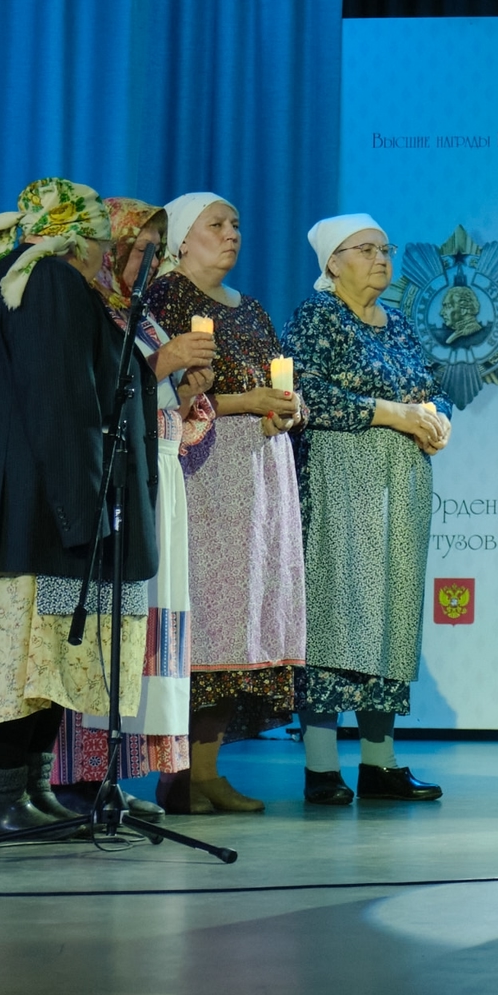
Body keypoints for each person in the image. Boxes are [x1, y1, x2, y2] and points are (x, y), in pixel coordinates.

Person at [0, 179, 192, 837]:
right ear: (80, 239)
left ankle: (30, 790)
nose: (106, 255)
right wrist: (87, 513)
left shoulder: (1, 281)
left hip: (25, 506)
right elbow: (62, 401)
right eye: (104, 242)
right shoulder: (46, 280)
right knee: (10, 663)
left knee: (42, 661)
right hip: (30, 512)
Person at [48, 198, 216, 808]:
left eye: (154, 250)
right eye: (140, 248)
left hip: (156, 481)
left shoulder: (134, 315)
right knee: (101, 626)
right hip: (111, 483)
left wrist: (187, 392)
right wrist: (163, 365)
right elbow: (90, 392)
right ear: (109, 246)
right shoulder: (88, 309)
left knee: (137, 634)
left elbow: (159, 406)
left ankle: (112, 775)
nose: (149, 261)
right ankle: (76, 776)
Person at [144, 193, 308, 814]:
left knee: (239, 621)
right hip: (204, 471)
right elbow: (168, 394)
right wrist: (247, 403)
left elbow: (276, 382)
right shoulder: (167, 297)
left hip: (258, 476)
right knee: (204, 617)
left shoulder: (253, 308)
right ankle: (177, 773)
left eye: (236, 223)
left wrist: (286, 408)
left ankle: (209, 770)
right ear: (183, 239)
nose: (232, 233)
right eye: (216, 224)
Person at [288, 215, 452, 806]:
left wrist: (437, 417)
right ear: (333, 262)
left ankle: (380, 764)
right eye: (366, 250)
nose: (382, 259)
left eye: (386, 249)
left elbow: (433, 383)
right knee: (339, 612)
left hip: (403, 483)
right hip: (341, 479)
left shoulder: (398, 321)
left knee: (393, 612)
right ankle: (321, 767)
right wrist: (392, 413)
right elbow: (305, 393)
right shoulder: (318, 316)